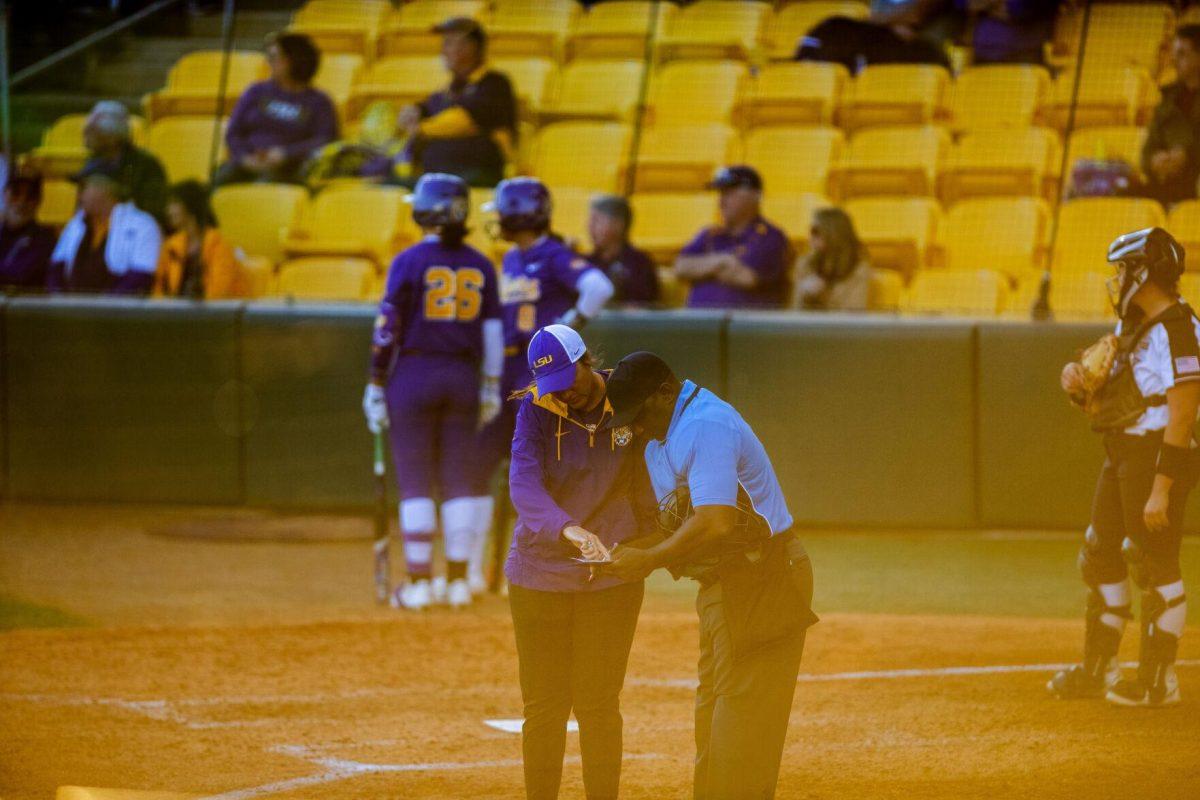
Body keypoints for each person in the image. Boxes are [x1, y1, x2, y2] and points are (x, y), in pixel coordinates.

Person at [597, 352, 818, 800]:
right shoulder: (663, 434)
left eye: (640, 415)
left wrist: (650, 559)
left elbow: (716, 521)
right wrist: (617, 551)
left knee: (741, 725)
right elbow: (677, 523)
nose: (635, 427)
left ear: (665, 392)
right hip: (724, 583)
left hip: (763, 576)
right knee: (713, 717)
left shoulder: (705, 424)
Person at [1051, 227, 1198, 708]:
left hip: (1158, 455)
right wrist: (1077, 381)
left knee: (1154, 564)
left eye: (1124, 269)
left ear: (1146, 272)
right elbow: (1109, 392)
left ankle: (1159, 683)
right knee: (1100, 553)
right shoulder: (1131, 326)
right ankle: (1099, 669)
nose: (1118, 279)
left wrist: (1162, 488)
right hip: (1121, 453)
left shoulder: (1179, 328)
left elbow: (1183, 413)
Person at [506, 324, 651, 800]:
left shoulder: (629, 401)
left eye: (570, 377)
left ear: (588, 361)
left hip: (611, 576)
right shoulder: (537, 408)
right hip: (539, 573)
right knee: (545, 706)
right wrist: (568, 528)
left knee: (598, 704)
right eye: (553, 385)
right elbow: (524, 486)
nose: (563, 392)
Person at [361, 172, 504, 611]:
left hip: (415, 375)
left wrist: (375, 381)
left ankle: (420, 583)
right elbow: (494, 334)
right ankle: (459, 582)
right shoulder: (481, 264)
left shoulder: (406, 262)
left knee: (416, 481)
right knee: (460, 479)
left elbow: (388, 329)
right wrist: (490, 386)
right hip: (462, 377)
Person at [473, 177, 615, 588]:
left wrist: (569, 324)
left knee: (538, 467)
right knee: (498, 465)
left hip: (545, 378)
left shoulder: (552, 254)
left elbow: (598, 287)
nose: (498, 221)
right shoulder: (512, 259)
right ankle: (483, 570)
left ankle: (540, 561)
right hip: (512, 373)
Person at [397, 17, 518, 187]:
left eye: (449, 43)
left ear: (473, 48)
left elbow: (464, 120)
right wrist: (412, 112)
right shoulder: (449, 89)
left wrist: (421, 129)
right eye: (444, 44)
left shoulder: (495, 84)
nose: (443, 51)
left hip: (479, 175)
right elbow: (426, 109)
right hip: (437, 175)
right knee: (384, 185)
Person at [215, 32, 339, 187]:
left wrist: (286, 154)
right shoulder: (256, 92)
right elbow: (234, 133)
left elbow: (325, 140)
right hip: (247, 163)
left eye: (274, 58)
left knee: (264, 187)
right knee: (220, 180)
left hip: (290, 169)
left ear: (293, 61)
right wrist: (245, 157)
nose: (269, 63)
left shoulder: (319, 102)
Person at [675, 166, 792, 310]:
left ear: (755, 195)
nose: (722, 201)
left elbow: (747, 279)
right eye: (721, 193)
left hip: (744, 328)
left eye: (729, 192)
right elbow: (681, 267)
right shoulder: (710, 234)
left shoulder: (770, 237)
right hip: (696, 325)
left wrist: (702, 268)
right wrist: (722, 261)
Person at [46, 164, 161, 294]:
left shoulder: (142, 225)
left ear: (105, 189)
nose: (78, 196)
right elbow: (56, 268)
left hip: (118, 312)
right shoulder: (75, 224)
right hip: (71, 310)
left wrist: (104, 308)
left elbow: (141, 276)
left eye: (83, 188)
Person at [796, 0, 957, 71]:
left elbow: (918, 14)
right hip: (887, 35)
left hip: (926, 46)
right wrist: (887, 25)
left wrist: (885, 23)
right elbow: (876, 15)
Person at [79, 100, 167, 226]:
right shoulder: (91, 165)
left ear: (113, 137)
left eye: (95, 132)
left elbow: (151, 214)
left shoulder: (146, 166)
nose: (87, 137)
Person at [1142, 24, 1200, 207]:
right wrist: (1155, 161)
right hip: (1166, 185)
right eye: (1175, 53)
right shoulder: (1167, 99)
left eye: (1182, 53)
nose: (1175, 60)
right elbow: (1148, 150)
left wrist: (1187, 156)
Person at [154, 180, 243, 299]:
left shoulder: (218, 245)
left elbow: (219, 293)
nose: (169, 210)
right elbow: (158, 288)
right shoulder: (171, 246)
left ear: (190, 205)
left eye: (174, 203)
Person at [586, 194, 660, 306]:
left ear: (618, 225)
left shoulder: (640, 264)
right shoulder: (585, 262)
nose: (590, 227)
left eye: (596, 221)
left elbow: (643, 308)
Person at [793, 207, 873, 311]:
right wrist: (804, 295)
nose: (810, 236)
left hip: (838, 326)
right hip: (808, 326)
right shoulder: (804, 264)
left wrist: (825, 297)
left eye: (815, 231)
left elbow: (854, 316)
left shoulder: (858, 268)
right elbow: (794, 314)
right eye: (810, 230)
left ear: (833, 234)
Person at [0, 171, 57, 292]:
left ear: (38, 202)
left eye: (30, 197)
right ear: (5, 195)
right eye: (15, 194)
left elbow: (22, 274)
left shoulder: (45, 238)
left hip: (23, 308)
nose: (21, 202)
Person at [957, 0, 1059, 66]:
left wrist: (988, 6)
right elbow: (962, 3)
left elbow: (1019, 8)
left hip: (1024, 54)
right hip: (983, 52)